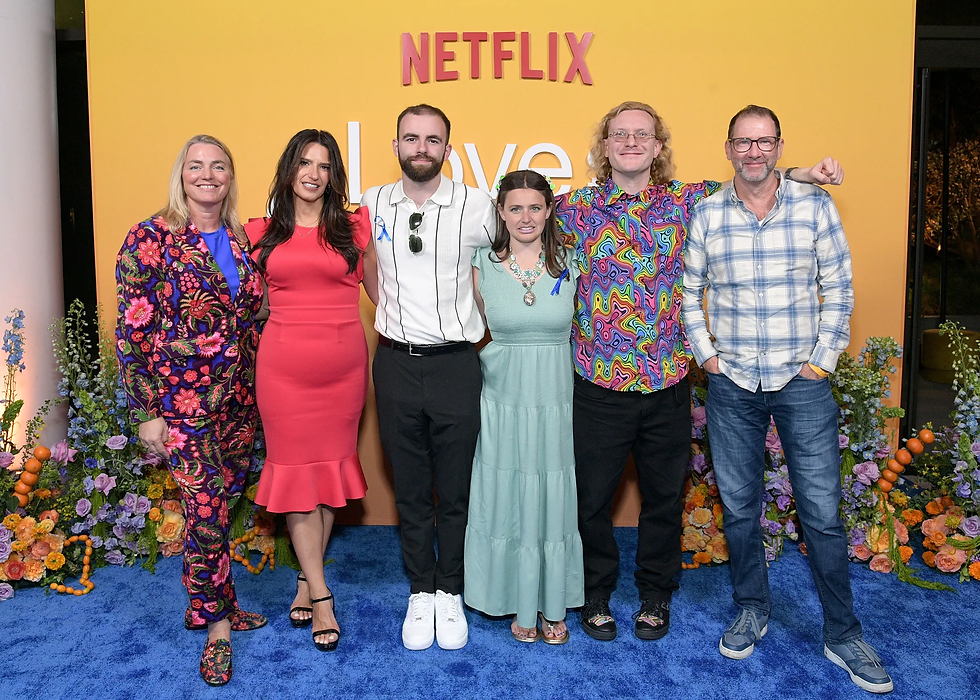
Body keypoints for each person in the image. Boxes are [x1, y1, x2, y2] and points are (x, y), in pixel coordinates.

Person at [554, 101, 844, 643]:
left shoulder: (692, 201)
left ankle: (655, 596)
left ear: (659, 146)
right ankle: (594, 594)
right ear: (605, 144)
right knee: (590, 499)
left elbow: (752, 177)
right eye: (621, 134)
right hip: (598, 384)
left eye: (643, 134)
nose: (632, 142)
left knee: (664, 498)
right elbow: (516, 217)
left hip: (668, 380)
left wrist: (806, 173)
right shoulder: (575, 207)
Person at [681, 105, 892, 694]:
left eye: (764, 142)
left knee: (822, 512)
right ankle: (752, 608)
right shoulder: (707, 214)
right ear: (728, 149)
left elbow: (839, 287)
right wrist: (709, 358)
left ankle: (843, 632)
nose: (754, 152)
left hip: (802, 382)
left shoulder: (814, 206)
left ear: (779, 147)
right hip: (733, 384)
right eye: (743, 143)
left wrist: (822, 360)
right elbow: (688, 290)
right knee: (742, 508)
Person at [116, 134, 266, 686]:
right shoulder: (150, 238)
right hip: (181, 402)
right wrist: (146, 409)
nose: (208, 175)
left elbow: (252, 317)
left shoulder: (239, 237)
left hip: (238, 401)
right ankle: (217, 627)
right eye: (196, 166)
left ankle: (209, 600)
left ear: (230, 175)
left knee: (220, 507)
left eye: (219, 166)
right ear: (181, 175)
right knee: (203, 513)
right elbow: (132, 330)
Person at [361, 104, 495, 651]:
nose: (422, 147)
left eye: (433, 139)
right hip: (394, 361)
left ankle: (450, 590)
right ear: (396, 145)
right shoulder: (371, 203)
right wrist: (394, 317)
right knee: (411, 486)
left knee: (457, 485)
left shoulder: (476, 205)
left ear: (447, 146)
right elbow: (369, 267)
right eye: (411, 138)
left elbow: (502, 268)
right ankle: (421, 589)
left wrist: (474, 324)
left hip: (456, 364)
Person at [246, 129, 378, 652]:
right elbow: (249, 306)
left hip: (344, 371)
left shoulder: (354, 228)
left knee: (325, 477)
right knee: (300, 479)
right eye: (305, 162)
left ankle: (306, 577)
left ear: (334, 175)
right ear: (289, 168)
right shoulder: (260, 232)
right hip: (283, 373)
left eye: (324, 165)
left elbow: (384, 293)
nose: (314, 173)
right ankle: (322, 596)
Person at [463, 170, 584, 644]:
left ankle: (552, 601)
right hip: (502, 396)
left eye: (535, 207)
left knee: (552, 492)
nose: (526, 217)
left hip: (555, 395)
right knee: (506, 492)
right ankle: (511, 596)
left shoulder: (571, 262)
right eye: (515, 208)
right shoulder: (481, 263)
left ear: (550, 210)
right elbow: (471, 326)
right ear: (500, 212)